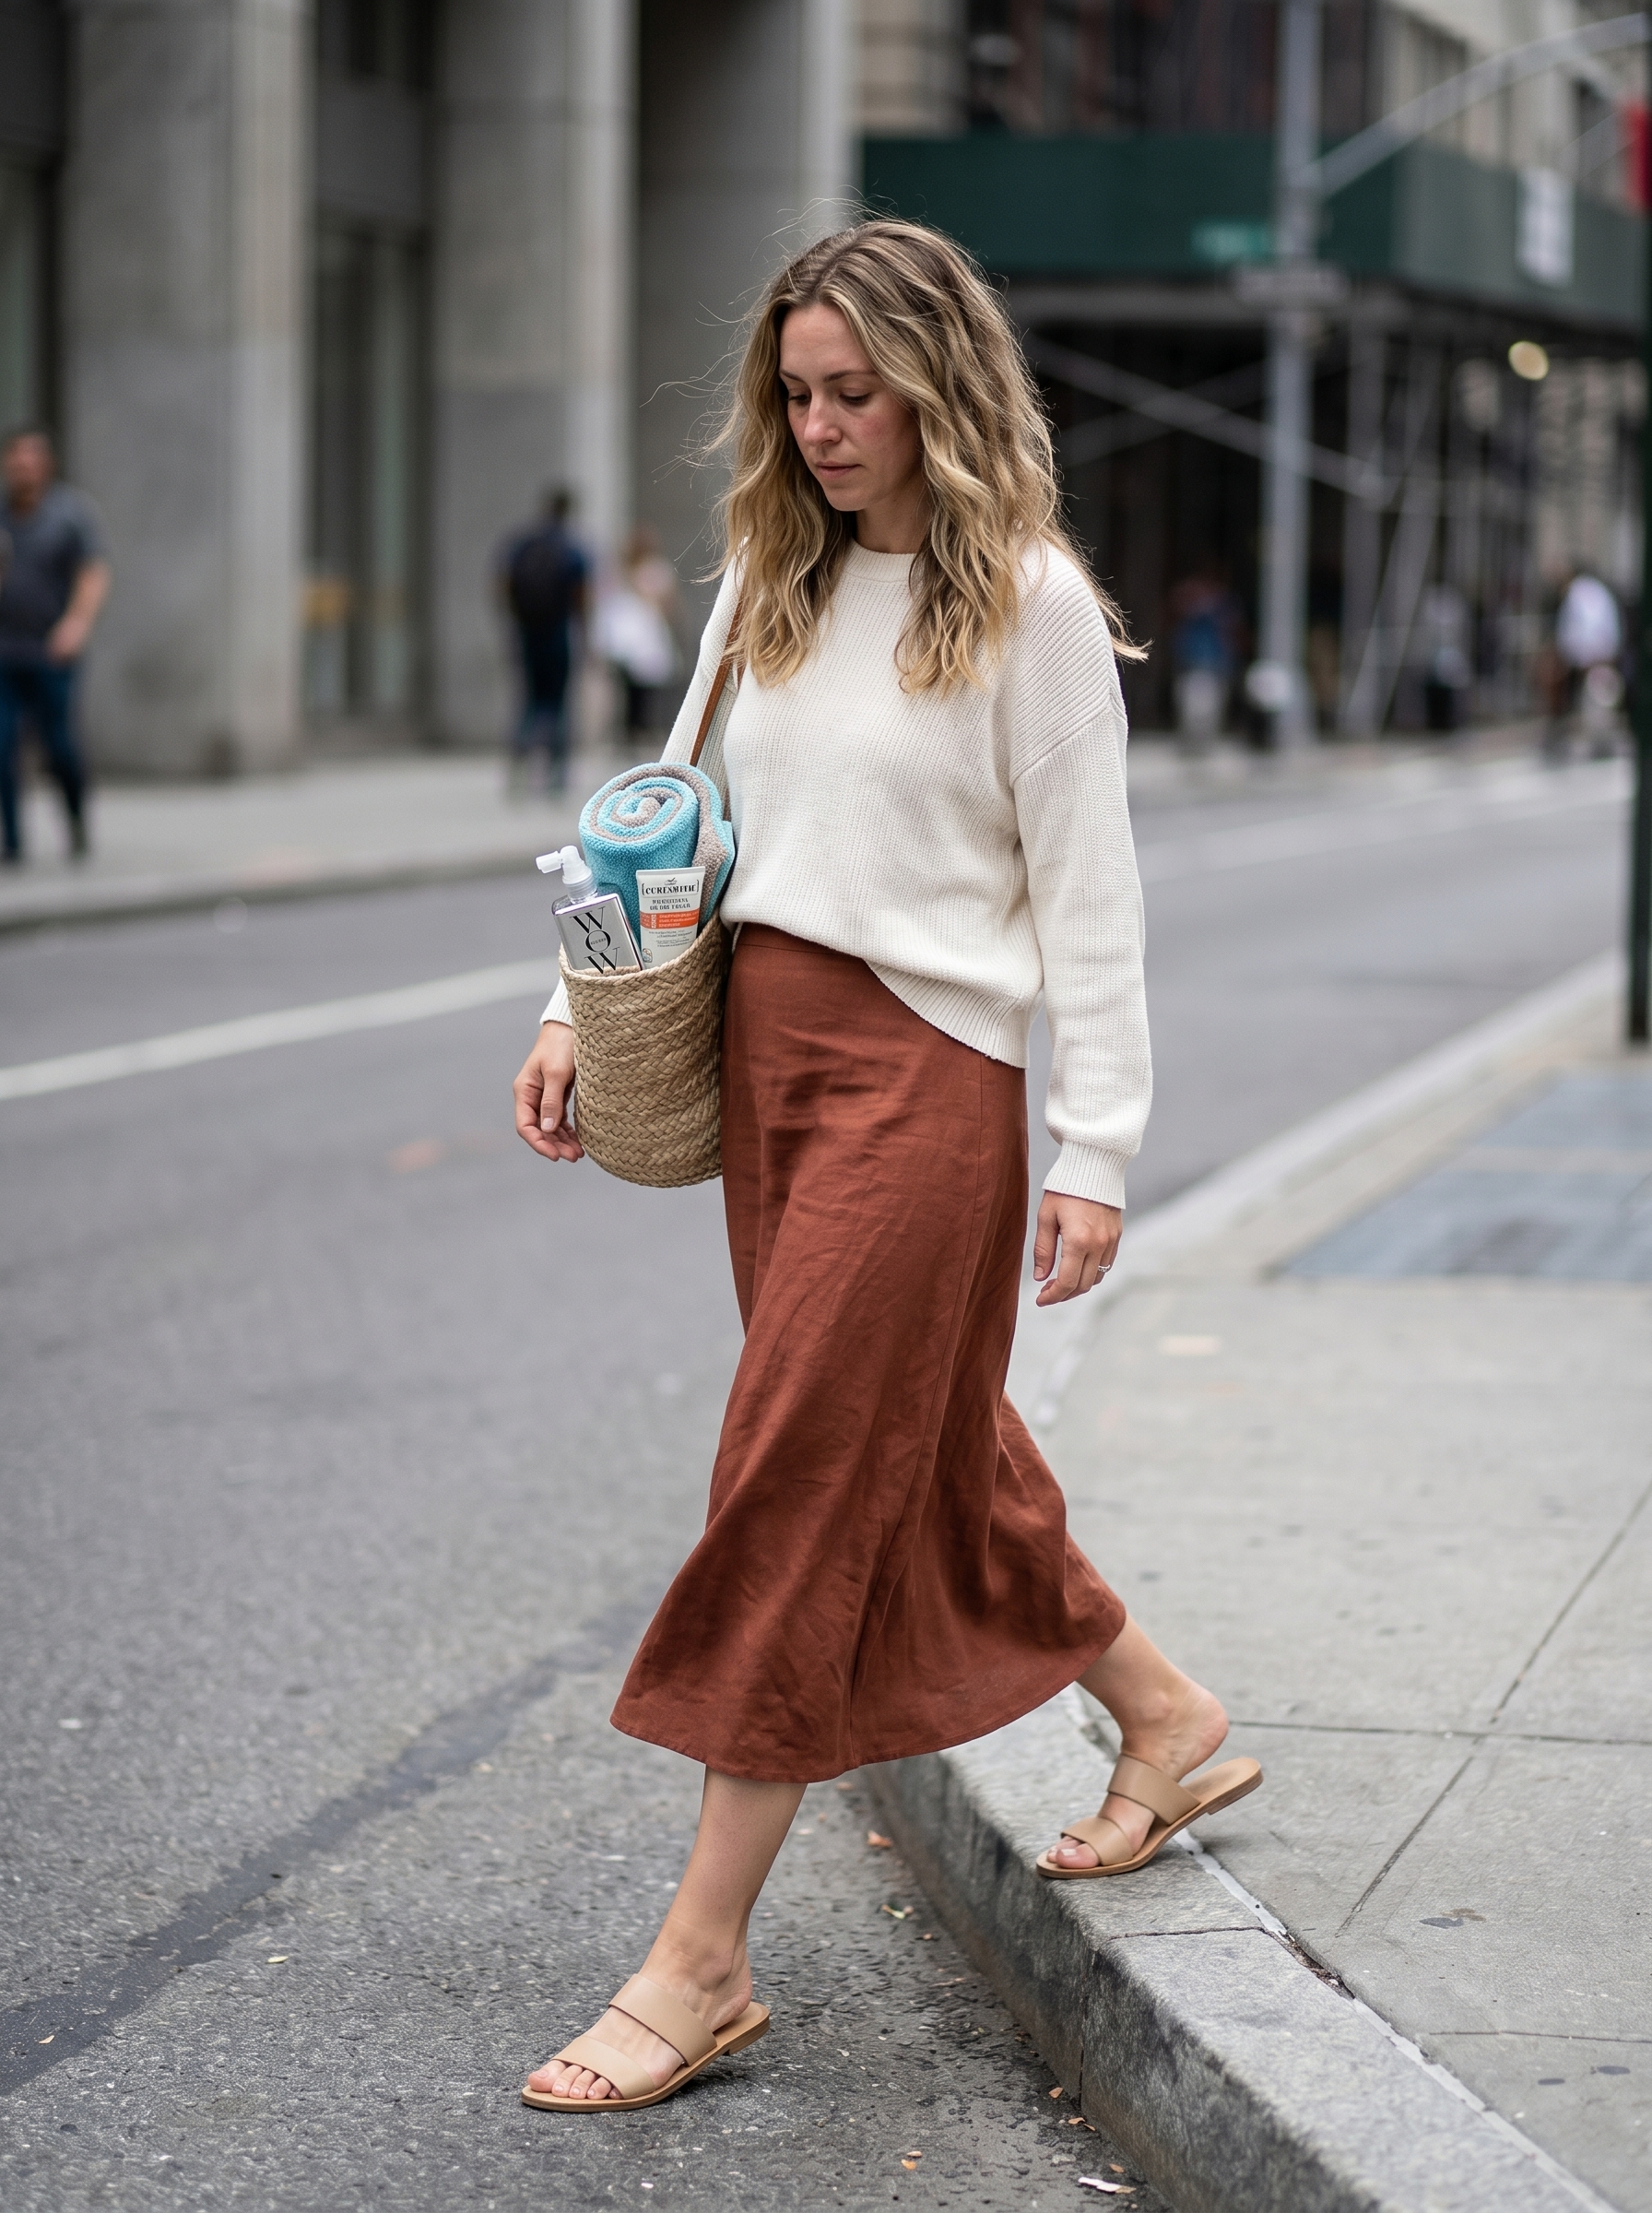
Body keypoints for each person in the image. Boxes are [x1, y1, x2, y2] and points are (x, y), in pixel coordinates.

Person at [511, 220, 1262, 2113]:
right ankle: (1163, 1719)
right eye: (796, 393)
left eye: (855, 393)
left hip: (924, 1085)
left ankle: (699, 1961)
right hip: (761, 1064)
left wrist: (1092, 1151)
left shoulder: (1021, 604)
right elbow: (658, 817)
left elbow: (1094, 913)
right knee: (920, 1447)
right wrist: (561, 1002)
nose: (823, 426)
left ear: (938, 384)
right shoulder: (767, 580)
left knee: (791, 1474)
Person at [0, 427, 111, 863]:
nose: (22, 468)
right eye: (15, 460)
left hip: (51, 651)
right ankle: (12, 841)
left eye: (31, 460)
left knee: (59, 744)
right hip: (5, 652)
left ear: (45, 466)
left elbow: (93, 572)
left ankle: (76, 821)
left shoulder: (69, 515)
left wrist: (76, 624)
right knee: (1, 745)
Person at [499, 488, 588, 791]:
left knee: (529, 702)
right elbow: (581, 599)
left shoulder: (523, 545)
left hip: (528, 635)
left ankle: (518, 766)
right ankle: (556, 774)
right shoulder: (571, 549)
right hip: (558, 635)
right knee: (559, 704)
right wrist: (585, 636)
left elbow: (503, 585)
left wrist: (517, 622)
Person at [592, 524, 682, 742]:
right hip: (635, 639)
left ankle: (635, 730)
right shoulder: (638, 573)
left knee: (638, 690)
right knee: (638, 690)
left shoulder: (638, 572)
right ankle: (635, 731)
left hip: (635, 639)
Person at [1548, 566, 1622, 762]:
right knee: (1599, 699)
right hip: (1601, 654)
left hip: (1587, 656)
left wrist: (1573, 656)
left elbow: (1574, 630)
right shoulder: (1598, 591)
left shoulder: (1577, 594)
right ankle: (1597, 741)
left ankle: (1591, 741)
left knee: (1591, 700)